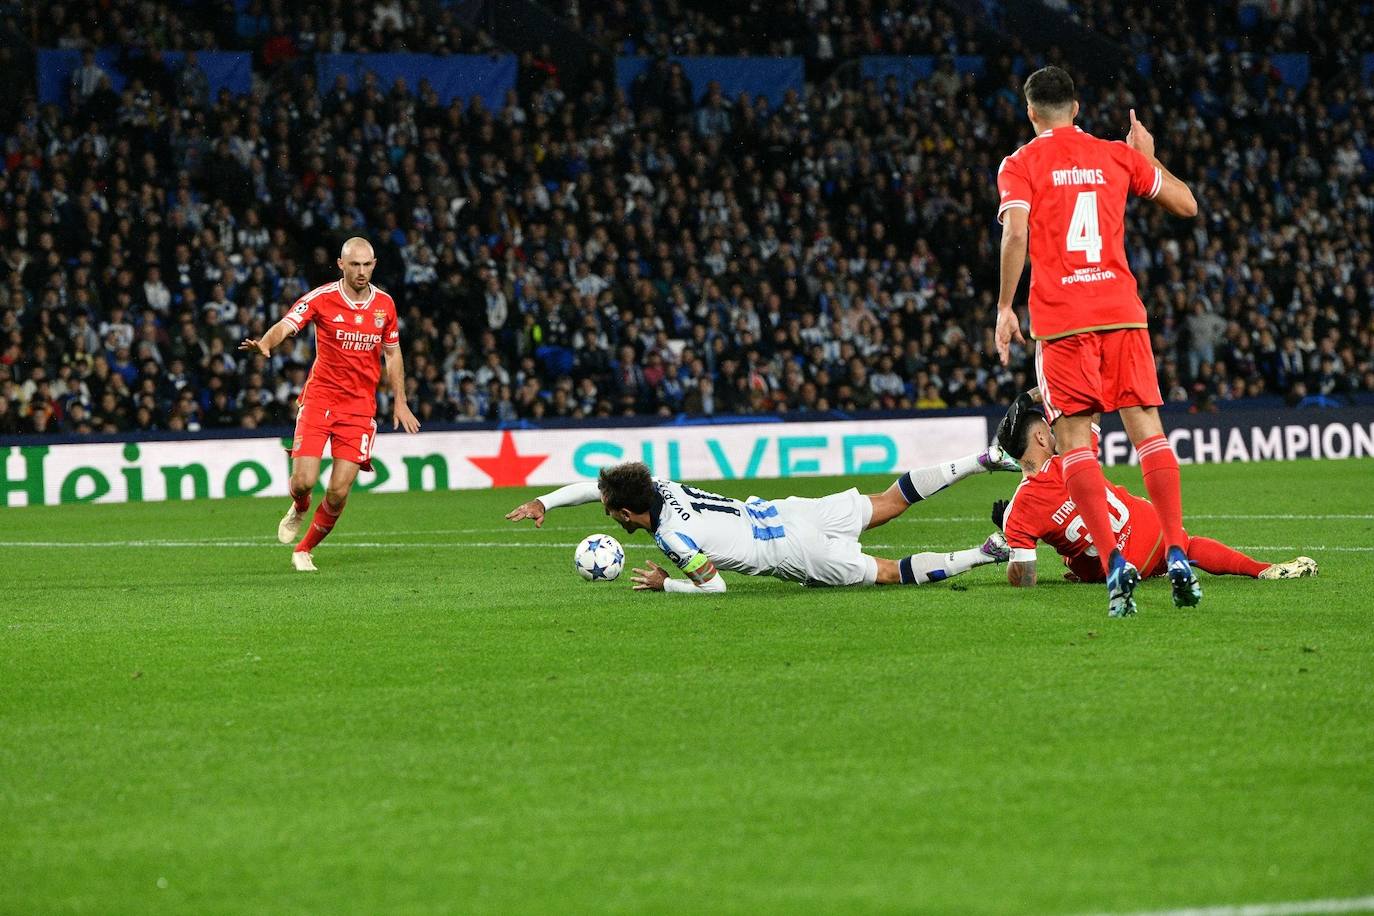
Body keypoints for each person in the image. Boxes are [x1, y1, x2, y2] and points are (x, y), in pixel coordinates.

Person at [992, 65, 1201, 616]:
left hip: (1062, 322)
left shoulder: (1019, 164)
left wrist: (1003, 307)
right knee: (1148, 433)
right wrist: (1148, 157)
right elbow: (1187, 205)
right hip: (1121, 313)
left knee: (1078, 443)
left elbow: (1015, 233)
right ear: (1078, 108)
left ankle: (1114, 564)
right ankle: (1177, 550)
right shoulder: (1116, 155)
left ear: (1031, 112)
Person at [505, 445, 1024, 593]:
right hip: (790, 511)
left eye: (607, 510)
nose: (606, 512)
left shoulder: (671, 538)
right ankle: (983, 460)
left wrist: (668, 585)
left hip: (797, 554)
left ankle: (984, 553)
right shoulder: (658, 485)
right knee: (890, 501)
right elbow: (598, 488)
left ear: (624, 513)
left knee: (887, 571)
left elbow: (713, 588)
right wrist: (546, 502)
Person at [991, 393, 1316, 607]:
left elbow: (1026, 579)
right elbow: (1092, 411)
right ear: (1040, 437)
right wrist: (1037, 393)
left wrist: (1011, 539)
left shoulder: (1019, 510)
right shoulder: (1074, 459)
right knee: (1187, 546)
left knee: (1078, 560)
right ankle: (1260, 569)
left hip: (1116, 563)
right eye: (1048, 429)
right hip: (1150, 530)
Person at [239, 237, 420, 571]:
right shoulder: (322, 298)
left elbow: (393, 353)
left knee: (338, 491)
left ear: (374, 265)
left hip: (359, 408)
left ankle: (304, 549)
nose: (361, 271)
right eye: (354, 264)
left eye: (367, 264)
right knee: (303, 481)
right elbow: (288, 324)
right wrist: (266, 342)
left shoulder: (385, 305)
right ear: (341, 265)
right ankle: (300, 505)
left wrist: (401, 401)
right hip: (320, 399)